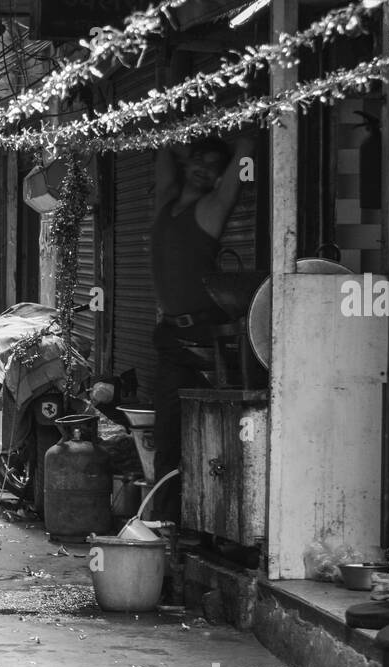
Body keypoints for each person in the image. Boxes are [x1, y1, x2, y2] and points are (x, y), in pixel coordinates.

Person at [150, 133, 256, 524]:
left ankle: (203, 522)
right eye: (198, 160)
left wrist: (238, 135)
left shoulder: (213, 208)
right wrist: (189, 138)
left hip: (201, 340)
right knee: (167, 437)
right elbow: (164, 147)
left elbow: (244, 154)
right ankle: (166, 524)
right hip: (170, 339)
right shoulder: (166, 204)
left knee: (204, 438)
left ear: (218, 177)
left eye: (213, 166)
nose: (203, 169)